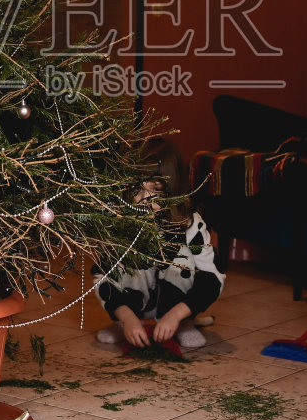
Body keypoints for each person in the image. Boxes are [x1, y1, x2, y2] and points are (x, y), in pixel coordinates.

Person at [96, 138, 224, 350]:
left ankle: (183, 323)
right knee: (122, 265)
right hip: (134, 307)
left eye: (155, 189)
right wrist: (126, 317)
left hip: (177, 306)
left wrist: (177, 314)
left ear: (171, 187)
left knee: (183, 256)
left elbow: (213, 279)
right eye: (138, 190)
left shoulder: (192, 225)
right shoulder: (119, 223)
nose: (144, 199)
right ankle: (125, 324)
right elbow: (103, 278)